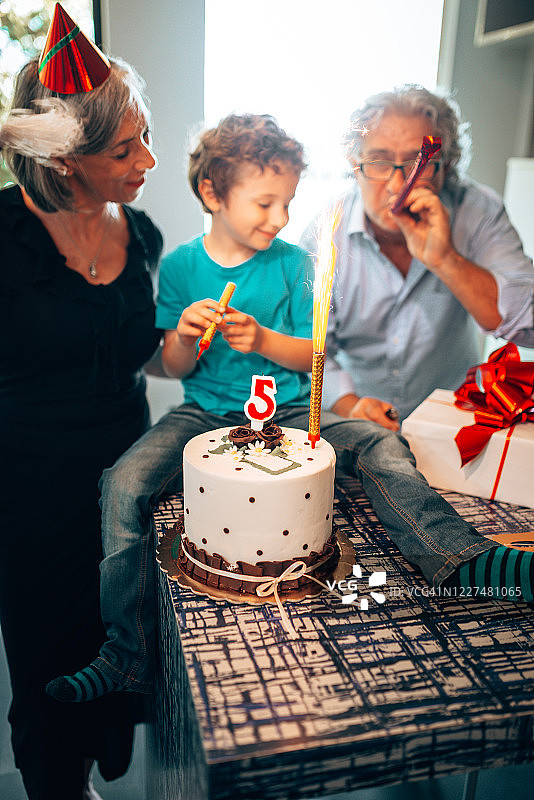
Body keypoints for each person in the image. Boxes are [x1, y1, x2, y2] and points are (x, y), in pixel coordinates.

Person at [47, 112, 534, 711]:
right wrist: (185, 335)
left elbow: (315, 354)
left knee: (382, 444)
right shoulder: (178, 267)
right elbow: (171, 368)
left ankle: (463, 559)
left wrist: (264, 341)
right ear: (212, 194)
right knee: (122, 484)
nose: (281, 220)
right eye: (265, 204)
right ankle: (128, 654)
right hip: (206, 414)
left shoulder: (293, 265)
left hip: (296, 407)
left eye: (289, 204)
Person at [0, 8, 162, 798]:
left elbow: (145, 353)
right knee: (47, 661)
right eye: (126, 149)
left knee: (125, 636)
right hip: (29, 491)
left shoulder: (149, 237)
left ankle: (103, 754)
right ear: (67, 161)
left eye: (145, 136)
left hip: (128, 480)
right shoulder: (1, 240)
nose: (150, 161)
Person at [300, 85, 534, 430]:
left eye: (416, 163)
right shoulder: (325, 233)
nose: (397, 185)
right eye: (378, 161)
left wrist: (446, 259)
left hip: (454, 420)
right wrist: (349, 404)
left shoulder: (478, 211)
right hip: (356, 422)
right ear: (355, 164)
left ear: (446, 166)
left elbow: (529, 324)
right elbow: (304, 344)